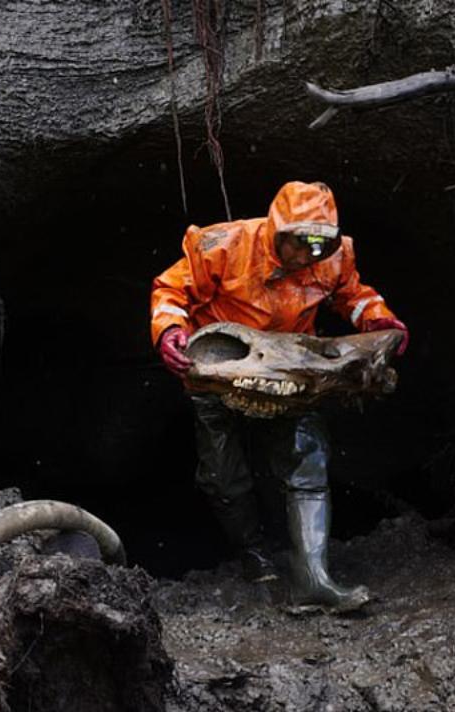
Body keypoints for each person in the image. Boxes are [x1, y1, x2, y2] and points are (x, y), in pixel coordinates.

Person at [150, 181, 408, 610]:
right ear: (277, 231)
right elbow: (171, 290)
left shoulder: (334, 257)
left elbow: (352, 295)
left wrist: (380, 321)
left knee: (307, 461)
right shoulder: (223, 245)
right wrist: (170, 332)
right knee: (223, 474)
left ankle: (313, 577)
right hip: (223, 370)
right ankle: (253, 553)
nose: (309, 256)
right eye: (300, 244)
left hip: (292, 370)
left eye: (319, 246)